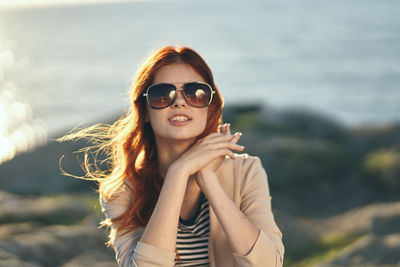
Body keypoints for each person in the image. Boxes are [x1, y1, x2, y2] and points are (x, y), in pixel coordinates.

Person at [59, 46, 284, 266]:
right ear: (145, 111)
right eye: (161, 95)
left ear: (209, 105)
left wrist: (207, 178)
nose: (179, 102)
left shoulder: (247, 171)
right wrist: (179, 172)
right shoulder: (122, 191)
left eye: (195, 92)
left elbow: (269, 263)